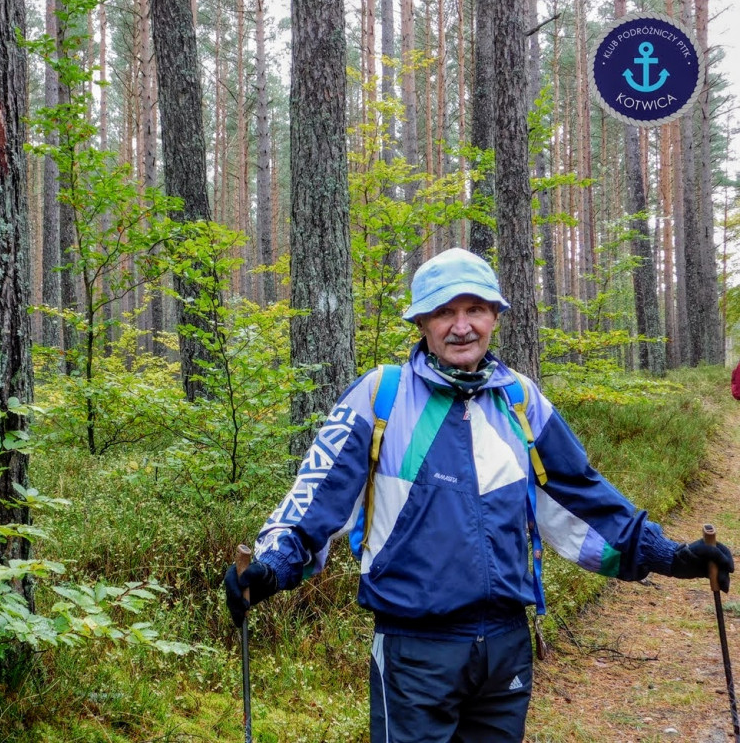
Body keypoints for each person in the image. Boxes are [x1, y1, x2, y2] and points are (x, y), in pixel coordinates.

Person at [224, 247, 734, 743]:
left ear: (495, 316)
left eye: (474, 309)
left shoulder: (520, 400)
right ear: (421, 322)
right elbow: (317, 497)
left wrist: (670, 556)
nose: (460, 325)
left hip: (506, 648)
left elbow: (580, 496)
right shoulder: (382, 395)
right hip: (414, 650)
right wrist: (273, 565)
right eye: (444, 311)